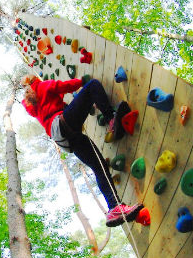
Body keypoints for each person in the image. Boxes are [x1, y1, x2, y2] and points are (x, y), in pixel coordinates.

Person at [21, 74, 143, 227]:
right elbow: (64, 86)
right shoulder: (42, 86)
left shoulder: (30, 103)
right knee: (92, 85)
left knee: (99, 167)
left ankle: (114, 207)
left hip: (64, 140)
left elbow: (52, 100)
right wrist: (80, 81)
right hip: (63, 124)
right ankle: (111, 119)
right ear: (34, 81)